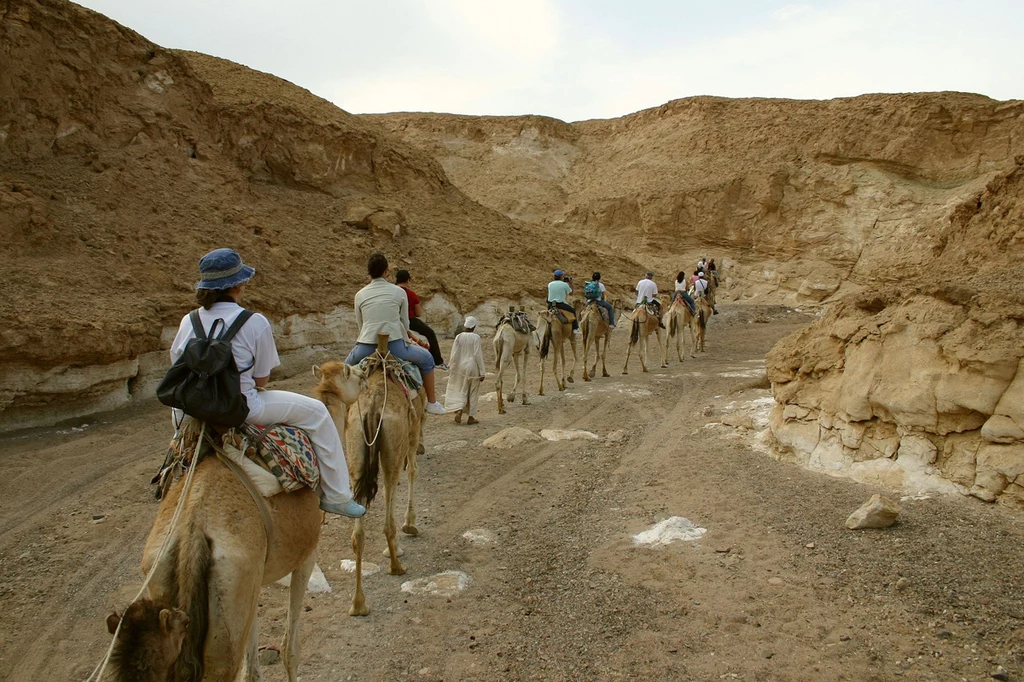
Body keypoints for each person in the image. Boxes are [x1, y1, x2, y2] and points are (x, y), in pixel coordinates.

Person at [169, 248, 366, 518]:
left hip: (190, 409)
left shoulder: (187, 321)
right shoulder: (254, 322)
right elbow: (262, 378)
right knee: (318, 413)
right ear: (238, 284)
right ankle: (337, 496)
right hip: (241, 407)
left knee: (180, 427)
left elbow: (177, 366)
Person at [344, 253, 446, 415]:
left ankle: (342, 405)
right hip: (394, 345)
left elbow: (361, 324)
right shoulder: (399, 292)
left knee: (344, 368)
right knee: (427, 359)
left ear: (369, 272)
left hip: (367, 345)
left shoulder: (360, 294)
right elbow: (404, 322)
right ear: (386, 271)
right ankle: (432, 403)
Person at [395, 269, 447, 371]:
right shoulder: (411, 294)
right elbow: (418, 313)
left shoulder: (392, 292)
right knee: (430, 333)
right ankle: (438, 361)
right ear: (408, 280)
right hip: (409, 320)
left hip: (394, 320)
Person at [444, 316, 486, 425]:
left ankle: (460, 411)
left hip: (461, 367)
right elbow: (477, 354)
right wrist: (482, 372)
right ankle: (471, 417)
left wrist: (452, 366)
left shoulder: (459, 337)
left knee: (462, 388)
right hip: (473, 366)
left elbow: (455, 353)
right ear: (474, 326)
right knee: (473, 391)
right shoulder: (476, 337)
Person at [547, 269, 581, 335]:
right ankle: (575, 328)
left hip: (550, 305)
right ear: (561, 276)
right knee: (573, 311)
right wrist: (571, 284)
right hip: (560, 304)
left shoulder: (550, 284)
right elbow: (571, 293)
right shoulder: (564, 285)